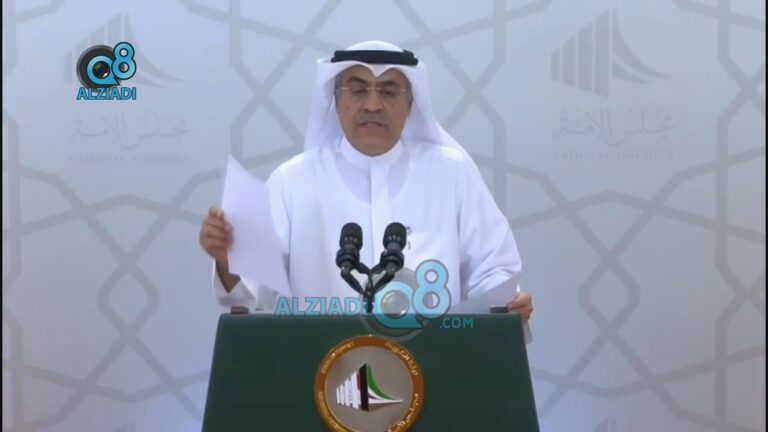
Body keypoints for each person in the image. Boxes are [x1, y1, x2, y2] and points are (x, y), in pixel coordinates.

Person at [199, 40, 533, 322]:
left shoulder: (452, 173)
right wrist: (229, 262)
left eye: (389, 92)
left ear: (410, 103)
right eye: (358, 91)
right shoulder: (291, 182)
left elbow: (494, 269)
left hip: (434, 364)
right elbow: (252, 297)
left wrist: (508, 303)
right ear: (336, 100)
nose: (373, 105)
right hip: (320, 367)